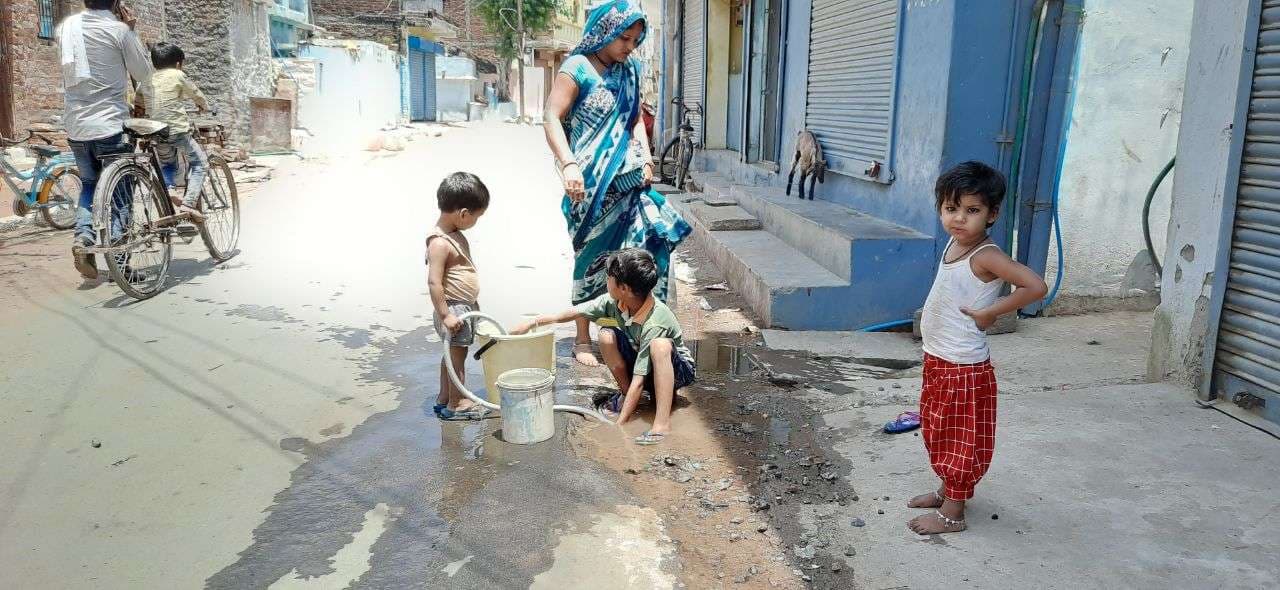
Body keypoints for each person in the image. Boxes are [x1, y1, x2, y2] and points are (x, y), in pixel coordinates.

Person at [543, 0, 691, 368]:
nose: (629, 47)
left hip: (627, 185)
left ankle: (634, 332)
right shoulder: (576, 68)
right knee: (589, 262)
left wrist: (645, 155)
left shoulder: (631, 71)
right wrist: (570, 164)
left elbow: (635, 121)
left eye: (635, 40)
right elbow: (550, 117)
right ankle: (582, 338)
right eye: (624, 38)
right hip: (588, 188)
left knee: (634, 256)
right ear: (603, 32)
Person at [906, 161, 1048, 535]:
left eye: (972, 211)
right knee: (938, 429)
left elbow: (1035, 287)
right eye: (951, 209)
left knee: (960, 438)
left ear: (991, 214)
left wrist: (990, 313)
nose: (959, 219)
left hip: (963, 368)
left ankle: (953, 514)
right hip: (940, 359)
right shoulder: (955, 244)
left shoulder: (986, 255)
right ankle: (947, 490)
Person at [512, 249, 696, 446]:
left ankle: (661, 424)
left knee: (660, 346)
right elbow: (574, 312)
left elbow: (640, 379)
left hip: (676, 371)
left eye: (608, 277)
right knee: (606, 335)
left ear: (624, 287)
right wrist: (533, 322)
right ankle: (627, 396)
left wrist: (620, 425)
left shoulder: (656, 320)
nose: (606, 281)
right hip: (645, 363)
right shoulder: (615, 302)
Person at [59, 0, 155, 279]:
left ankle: (84, 239)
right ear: (115, 3)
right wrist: (130, 32)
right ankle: (120, 264)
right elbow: (144, 74)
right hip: (110, 124)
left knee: (89, 183)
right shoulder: (119, 31)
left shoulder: (67, 27)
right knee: (122, 194)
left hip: (76, 125)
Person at [427, 172, 489, 421]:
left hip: (461, 307)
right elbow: (434, 282)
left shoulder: (453, 235)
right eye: (476, 217)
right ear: (463, 213)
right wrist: (446, 315)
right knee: (457, 357)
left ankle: (444, 398)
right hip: (453, 310)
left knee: (451, 355)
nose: (476, 221)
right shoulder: (439, 243)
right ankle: (457, 402)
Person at [134, 41, 209, 222]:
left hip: (156, 131)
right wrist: (203, 106)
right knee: (200, 164)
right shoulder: (178, 75)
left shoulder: (145, 79)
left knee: (167, 164)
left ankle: (169, 189)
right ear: (178, 63)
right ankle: (188, 203)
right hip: (177, 130)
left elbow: (138, 102)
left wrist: (142, 111)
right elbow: (195, 93)